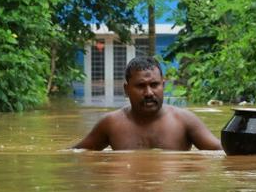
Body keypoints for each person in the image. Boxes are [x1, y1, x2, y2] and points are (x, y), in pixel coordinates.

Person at [73, 56, 223, 151]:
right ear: (126, 89)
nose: (149, 92)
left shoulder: (184, 121)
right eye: (140, 86)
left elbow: (222, 152)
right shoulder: (111, 124)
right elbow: (76, 153)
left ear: (163, 85)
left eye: (154, 84)